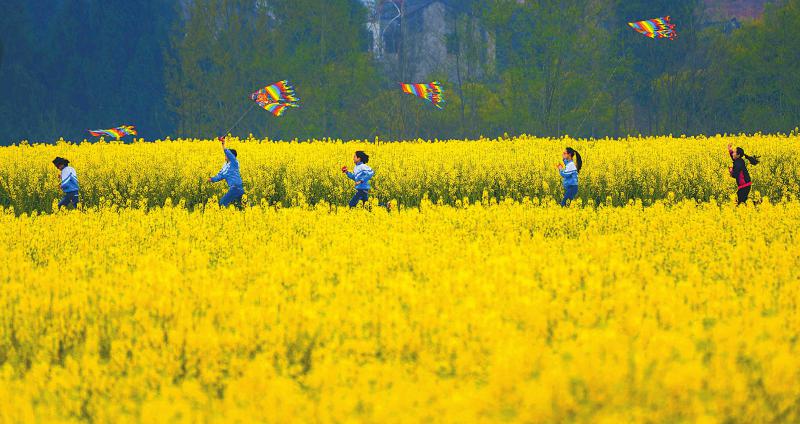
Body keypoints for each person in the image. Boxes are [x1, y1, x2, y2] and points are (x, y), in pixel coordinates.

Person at [208, 136, 245, 208]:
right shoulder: (225, 166)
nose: (225, 155)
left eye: (227, 155)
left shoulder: (234, 163)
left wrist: (223, 143)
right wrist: (212, 179)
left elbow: (228, 153)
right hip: (234, 188)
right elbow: (220, 176)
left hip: (236, 188)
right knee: (243, 207)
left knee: (222, 204)